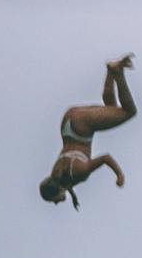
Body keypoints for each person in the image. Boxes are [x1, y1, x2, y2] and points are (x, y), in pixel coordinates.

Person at [40, 54, 136, 208]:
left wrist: (119, 175)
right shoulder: (56, 174)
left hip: (82, 126)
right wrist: (73, 196)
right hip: (69, 122)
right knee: (111, 109)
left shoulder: (79, 171)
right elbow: (67, 183)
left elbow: (105, 158)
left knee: (129, 112)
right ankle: (111, 70)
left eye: (55, 200)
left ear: (58, 190)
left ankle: (117, 71)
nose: (57, 203)